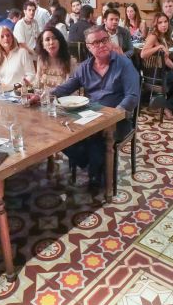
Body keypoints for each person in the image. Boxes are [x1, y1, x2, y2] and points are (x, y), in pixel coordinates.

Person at [52, 25, 140, 191]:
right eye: (96, 42)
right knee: (61, 134)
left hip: (119, 119)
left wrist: (114, 116)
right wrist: (45, 95)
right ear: (88, 47)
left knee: (97, 137)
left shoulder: (124, 64)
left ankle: (97, 176)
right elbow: (65, 88)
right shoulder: (84, 67)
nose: (102, 45)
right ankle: (93, 164)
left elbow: (132, 96)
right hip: (90, 117)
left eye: (105, 40)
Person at [140, 13, 173, 117]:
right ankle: (167, 106)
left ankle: (166, 105)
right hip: (155, 76)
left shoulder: (162, 36)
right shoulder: (153, 36)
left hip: (160, 73)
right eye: (160, 22)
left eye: (165, 22)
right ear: (155, 25)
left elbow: (165, 59)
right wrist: (158, 47)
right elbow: (143, 54)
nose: (163, 25)